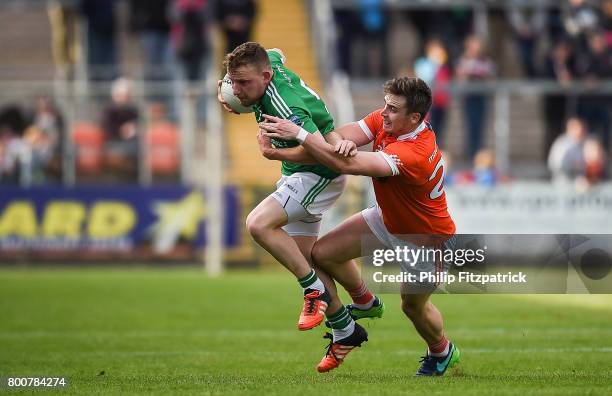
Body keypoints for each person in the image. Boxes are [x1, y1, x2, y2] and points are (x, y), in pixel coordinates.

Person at [260, 77, 461, 376]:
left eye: (393, 109)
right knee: (322, 254)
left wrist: (298, 135)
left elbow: (346, 165)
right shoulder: (388, 122)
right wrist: (336, 142)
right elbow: (336, 136)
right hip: (387, 219)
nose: (384, 113)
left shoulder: (413, 154)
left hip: (426, 242)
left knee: (412, 307)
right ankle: (366, 302)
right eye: (385, 104)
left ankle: (442, 351)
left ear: (415, 118)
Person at [217, 42, 385, 372]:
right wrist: (225, 89)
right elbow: (277, 50)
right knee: (308, 257)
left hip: (318, 173)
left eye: (243, 84)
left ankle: (313, 293)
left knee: (258, 224)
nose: (237, 90)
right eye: (232, 82)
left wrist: (275, 153)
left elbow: (327, 153)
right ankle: (348, 325)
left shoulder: (287, 106)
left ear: (266, 76)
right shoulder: (268, 66)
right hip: (298, 174)